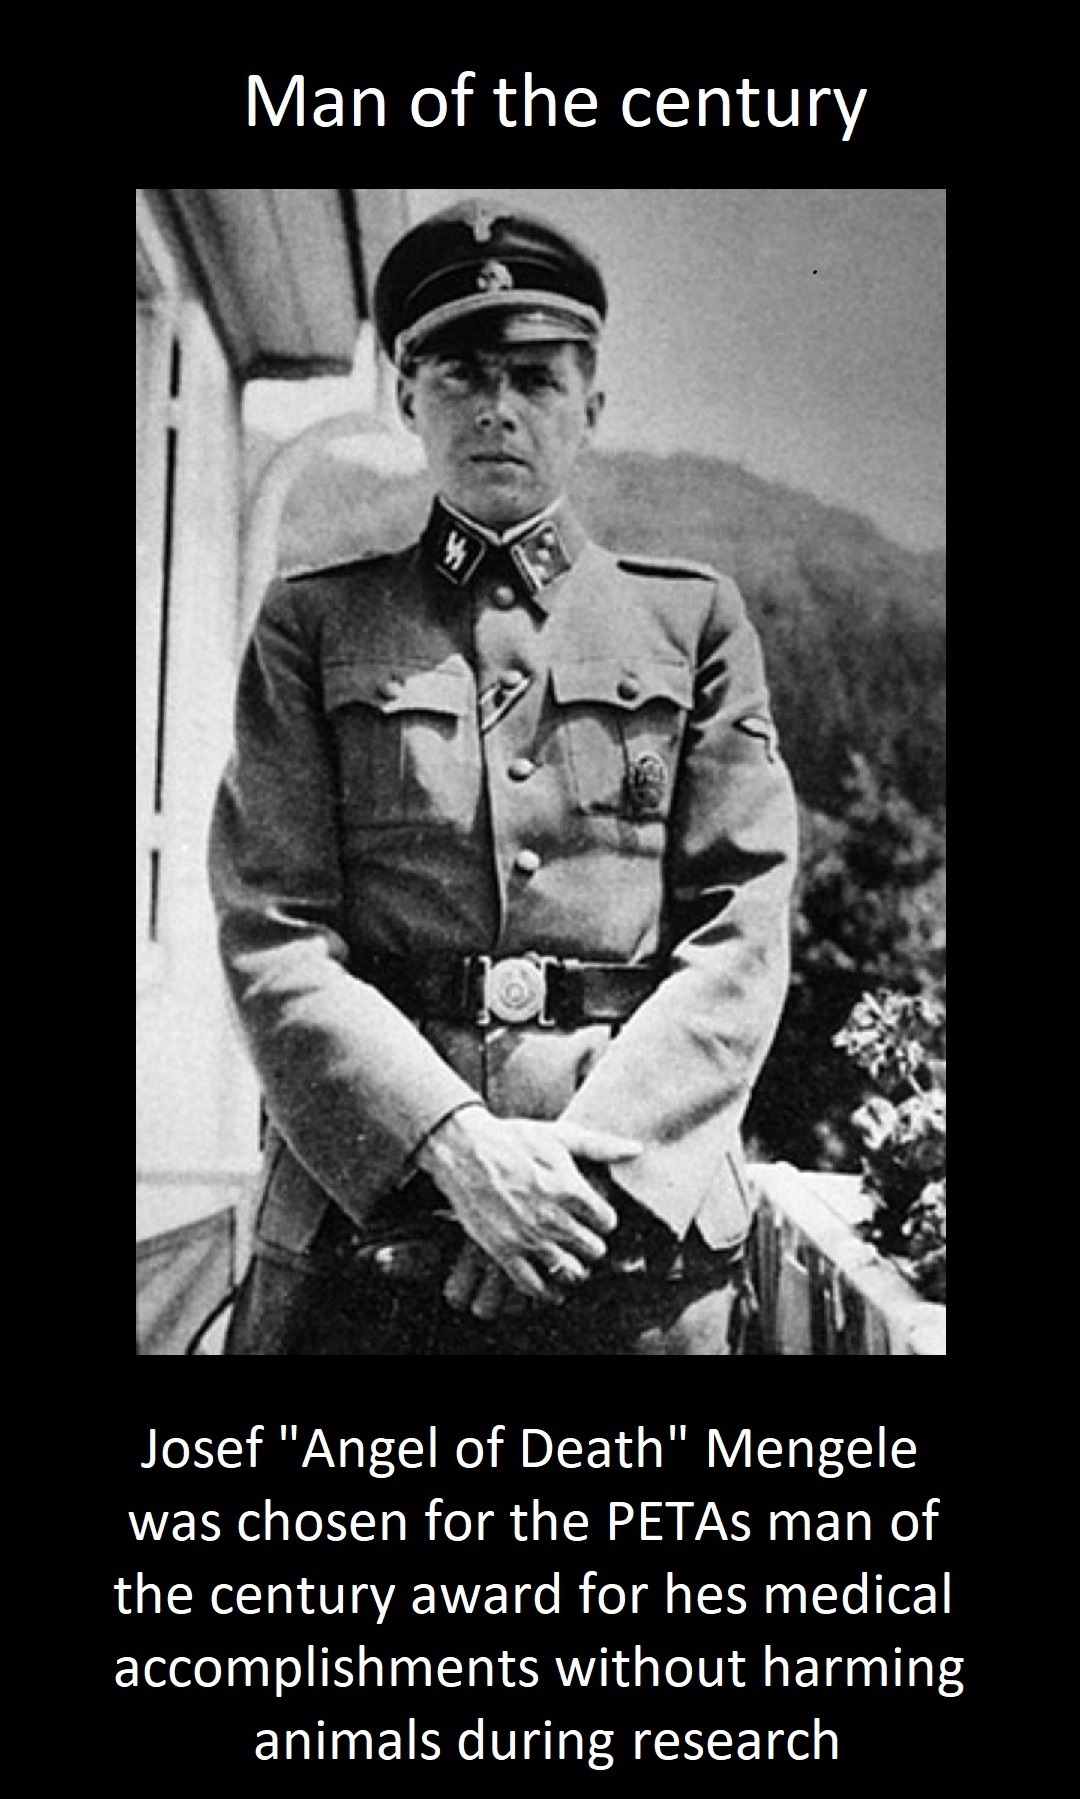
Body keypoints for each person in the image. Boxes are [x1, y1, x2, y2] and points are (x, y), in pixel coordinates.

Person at [209, 198, 798, 1355]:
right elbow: (271, 925)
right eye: (462, 374)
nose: (497, 407)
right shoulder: (313, 625)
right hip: (367, 1233)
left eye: (535, 377)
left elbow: (742, 928)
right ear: (406, 398)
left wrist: (577, 1178)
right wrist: (451, 1146)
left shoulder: (691, 623)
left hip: (630, 1246)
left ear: (592, 408)